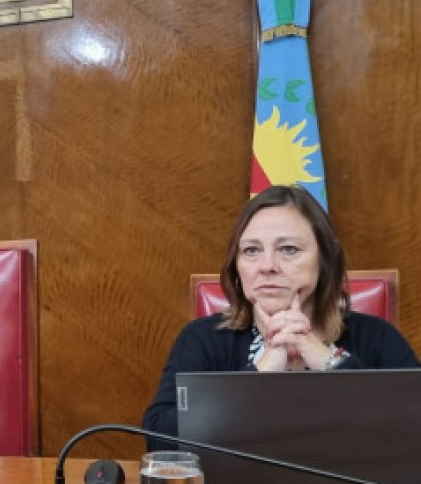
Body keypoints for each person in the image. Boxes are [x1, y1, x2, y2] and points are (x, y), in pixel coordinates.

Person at [143, 185, 419, 445]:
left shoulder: (376, 337)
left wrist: (329, 362)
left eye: (289, 249)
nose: (267, 266)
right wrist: (259, 375)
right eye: (251, 250)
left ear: (325, 260)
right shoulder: (204, 338)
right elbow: (159, 440)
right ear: (237, 266)